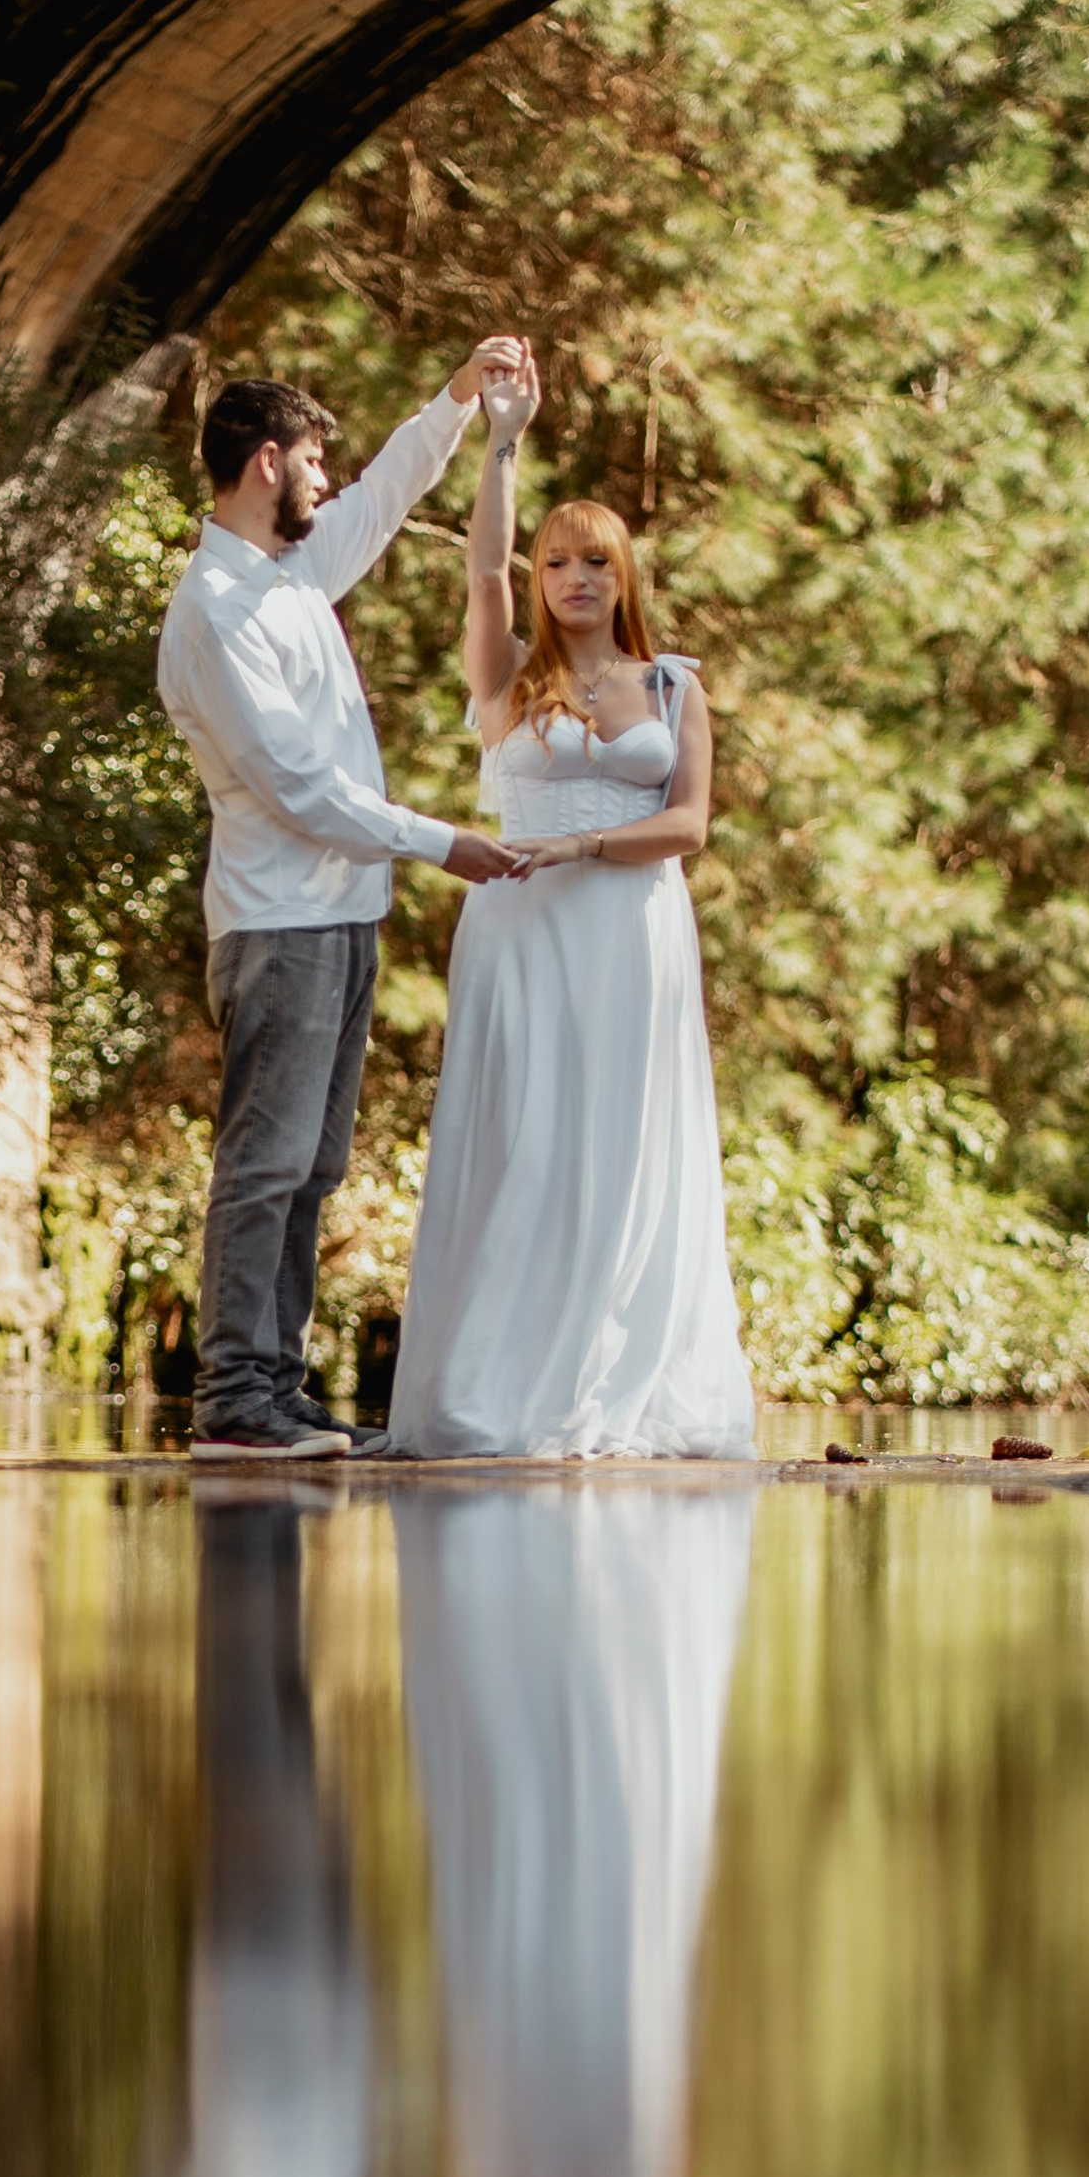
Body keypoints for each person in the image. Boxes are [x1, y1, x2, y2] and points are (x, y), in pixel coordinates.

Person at [380, 350, 757, 1462]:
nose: (574, 577)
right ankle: (496, 1384)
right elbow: (480, 574)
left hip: (629, 933)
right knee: (526, 1144)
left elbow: (688, 825)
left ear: (623, 575)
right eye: (556, 560)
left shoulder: (673, 687)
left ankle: (616, 1376)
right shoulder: (507, 680)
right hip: (520, 931)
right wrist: (502, 440)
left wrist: (586, 843)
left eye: (595, 560)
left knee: (622, 1147)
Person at [157, 357, 529, 1461]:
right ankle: (235, 1399)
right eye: (314, 459)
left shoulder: (294, 573)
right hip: (277, 923)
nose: (327, 477)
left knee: (313, 1164)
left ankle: (277, 1386)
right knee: (265, 1163)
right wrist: (442, 843)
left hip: (341, 917)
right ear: (266, 463)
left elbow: (387, 492)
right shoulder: (214, 610)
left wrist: (458, 398)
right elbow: (297, 789)